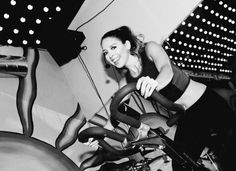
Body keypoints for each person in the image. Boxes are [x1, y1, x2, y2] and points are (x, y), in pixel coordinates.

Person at [100, 25, 236, 171]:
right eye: (105, 52)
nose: (109, 55)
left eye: (113, 47)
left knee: (231, 151)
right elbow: (117, 110)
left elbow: (167, 70)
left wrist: (154, 84)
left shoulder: (149, 48)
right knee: (180, 164)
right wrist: (101, 134)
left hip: (205, 102)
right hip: (188, 115)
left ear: (126, 44)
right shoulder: (125, 81)